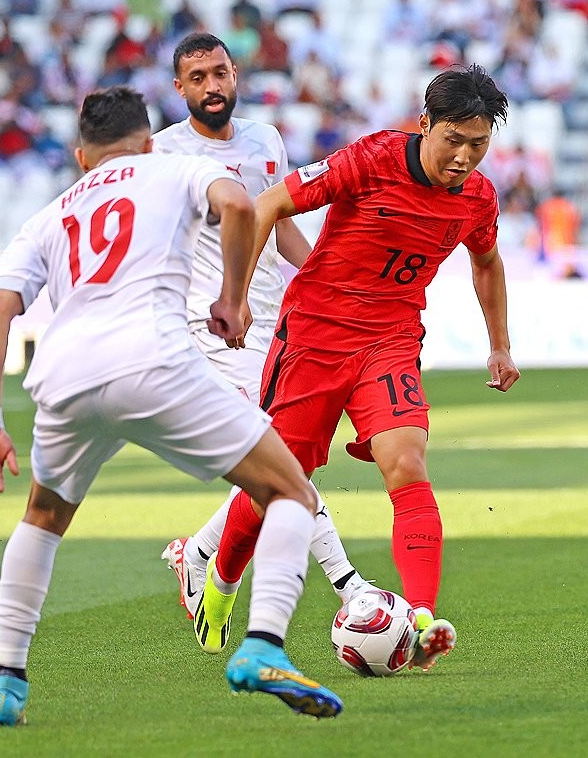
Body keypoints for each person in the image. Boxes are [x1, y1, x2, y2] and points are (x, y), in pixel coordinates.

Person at [0, 87, 342, 725]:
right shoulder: (176, 165)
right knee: (290, 492)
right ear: (147, 141)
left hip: (65, 378)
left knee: (41, 517)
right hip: (155, 359)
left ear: (82, 156)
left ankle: (7, 684)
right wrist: (232, 298)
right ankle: (263, 647)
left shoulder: (51, 213)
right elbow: (237, 206)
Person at [190, 63, 520, 671]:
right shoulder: (370, 159)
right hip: (314, 335)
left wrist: (499, 344)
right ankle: (220, 579)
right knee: (278, 480)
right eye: (454, 140)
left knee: (407, 462)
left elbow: (487, 262)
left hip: (389, 341)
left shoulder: (477, 197)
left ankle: (421, 621)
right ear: (426, 125)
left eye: (478, 144)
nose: (464, 157)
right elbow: (266, 206)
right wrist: (233, 297)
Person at [152, 32, 375, 654]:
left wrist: (321, 285)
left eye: (220, 72)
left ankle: (197, 554)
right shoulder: (163, 153)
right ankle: (351, 587)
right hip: (215, 327)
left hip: (284, 323)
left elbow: (280, 229)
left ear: (235, 74)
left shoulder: (266, 140)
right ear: (180, 89)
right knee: (283, 453)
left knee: (277, 458)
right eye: (197, 78)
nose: (212, 86)